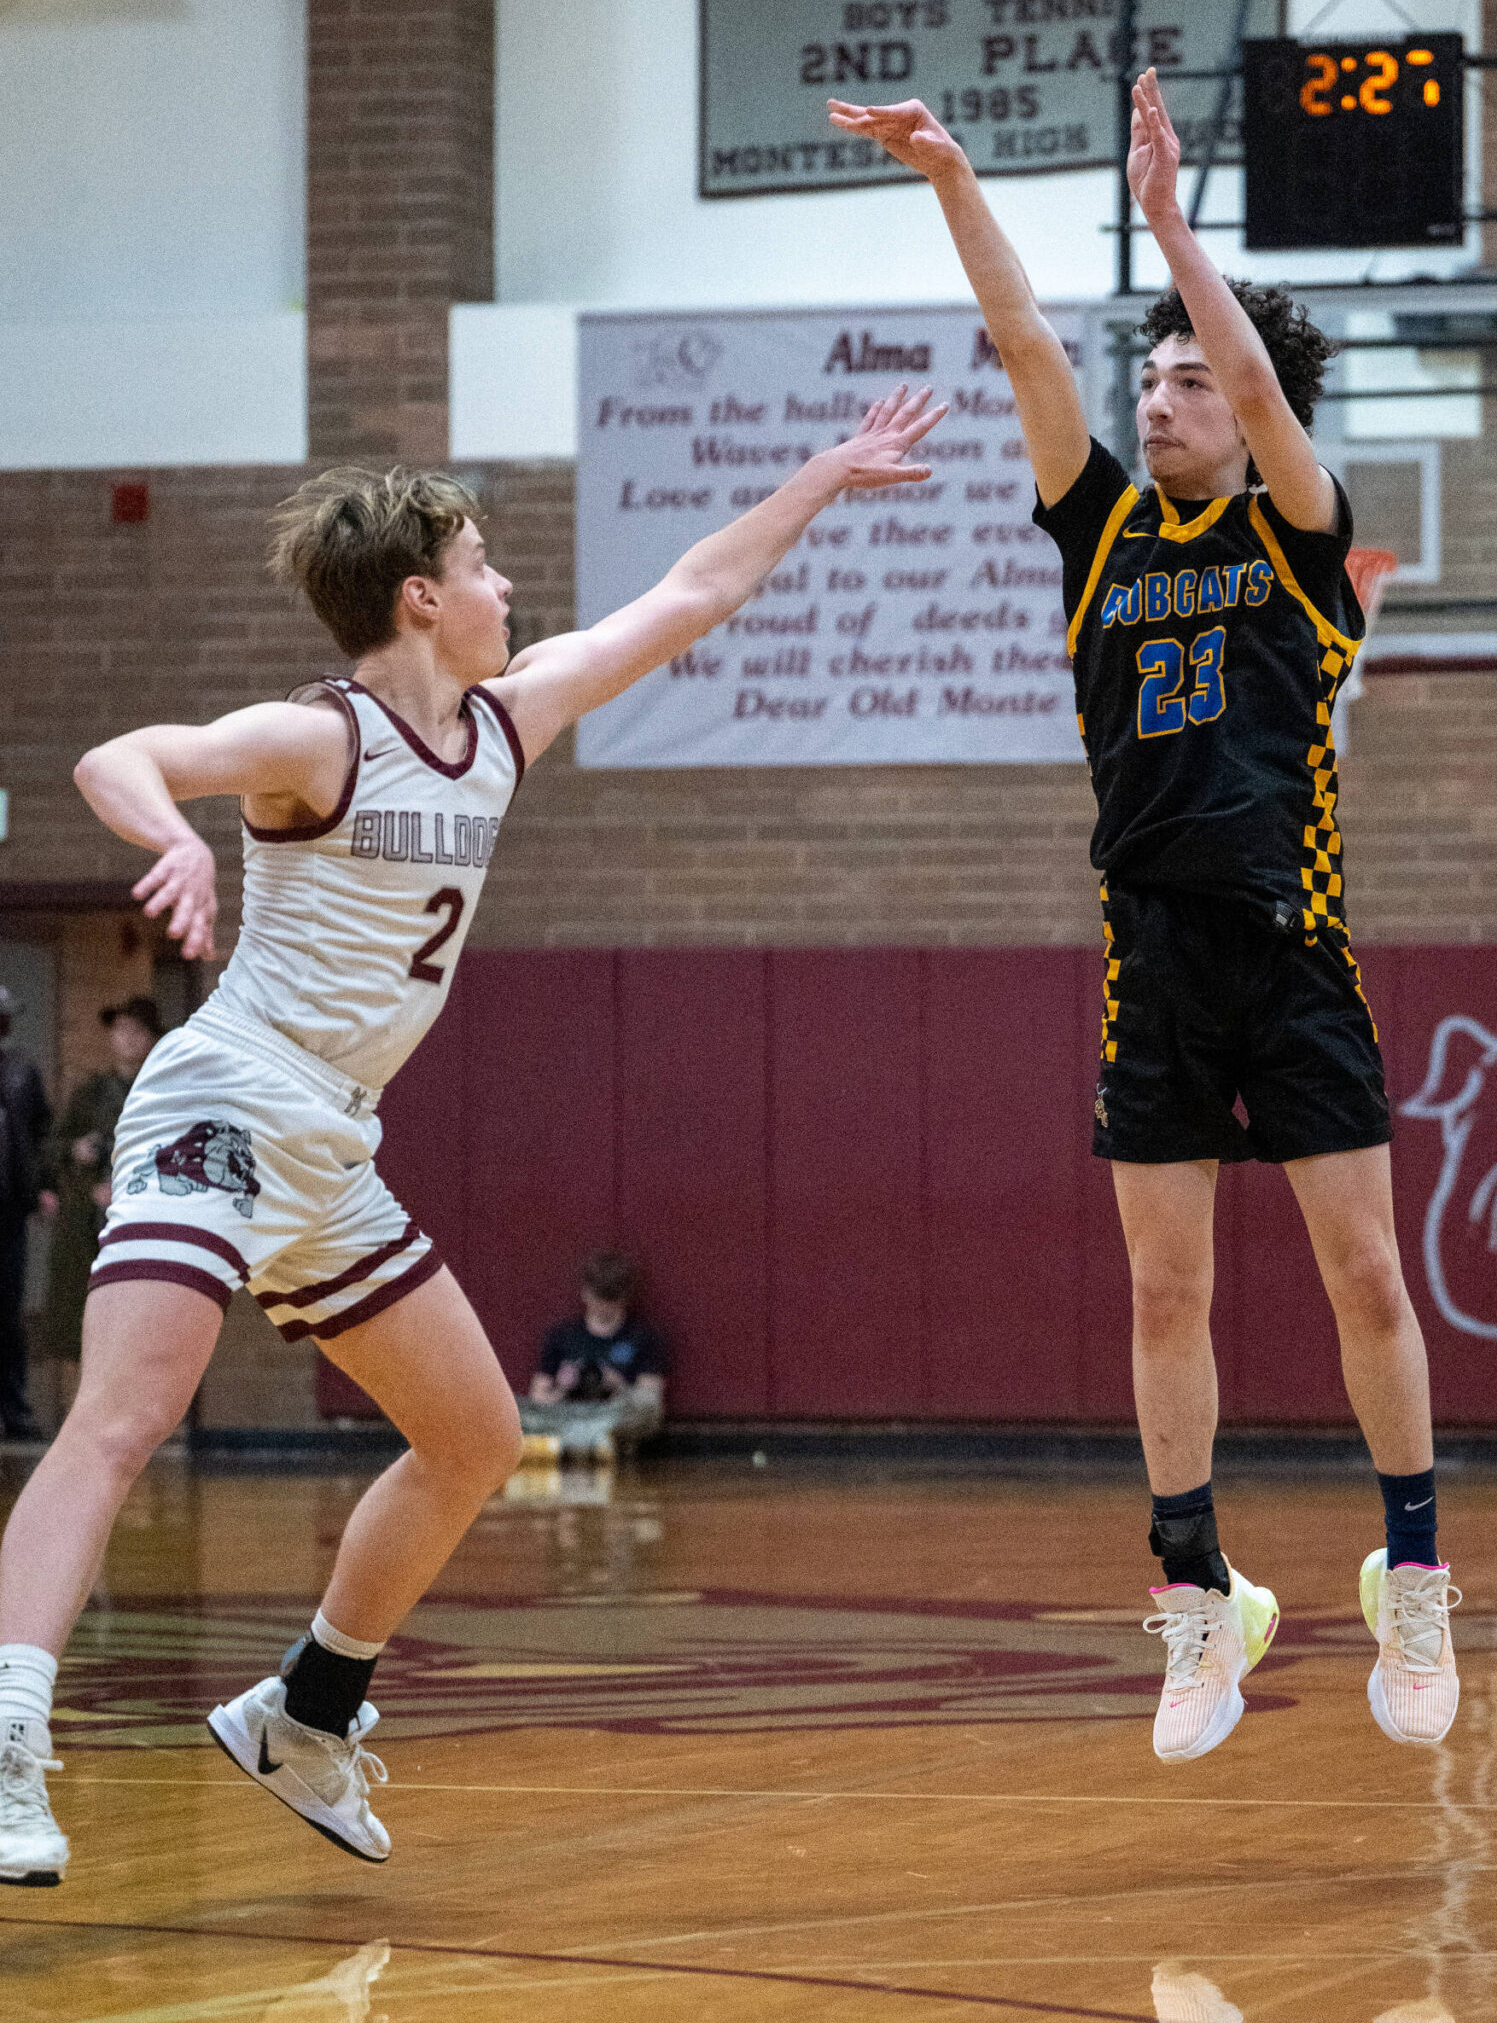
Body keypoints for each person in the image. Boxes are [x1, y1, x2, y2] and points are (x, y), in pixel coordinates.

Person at [0, 382, 945, 1886]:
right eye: (489, 565)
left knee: (476, 1434)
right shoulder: (321, 740)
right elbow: (125, 754)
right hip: (230, 1097)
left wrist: (821, 477)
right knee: (127, 1415)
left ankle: (308, 1711)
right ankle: (10, 1735)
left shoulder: (509, 720)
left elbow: (694, 590)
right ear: (424, 598)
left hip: (331, 1147)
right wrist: (174, 837)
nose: (514, 588)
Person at [828, 73, 1458, 1762]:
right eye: (1158, 376)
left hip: (1296, 953)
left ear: (1249, 413)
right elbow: (1025, 334)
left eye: (1191, 378)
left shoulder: (1302, 540)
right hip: (1155, 961)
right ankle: (1197, 1603)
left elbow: (1249, 367)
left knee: (1366, 1283)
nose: (1164, 397)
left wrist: (1176, 229)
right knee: (1163, 1299)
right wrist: (952, 173)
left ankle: (1410, 1576)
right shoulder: (1102, 530)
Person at [39, 995, 162, 1424]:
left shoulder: (162, 1091)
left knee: (137, 1323)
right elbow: (51, 1149)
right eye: (120, 1029)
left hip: (144, 1224)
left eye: (136, 1030)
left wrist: (128, 1187)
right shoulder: (90, 1092)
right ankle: (80, 1418)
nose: (126, 1038)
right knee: (78, 1320)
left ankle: (133, 1417)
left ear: (151, 1039)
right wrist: (77, 1151)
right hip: (86, 1224)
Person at [526, 1250, 668, 1460]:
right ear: (585, 1293)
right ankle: (591, 1442)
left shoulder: (644, 1336)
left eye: (612, 1299)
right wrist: (564, 1389)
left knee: (648, 1411)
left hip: (614, 1413)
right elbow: (537, 1396)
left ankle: (579, 1442)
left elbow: (650, 1398)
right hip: (568, 1412)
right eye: (599, 1298)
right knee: (518, 1411)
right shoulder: (562, 1334)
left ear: (625, 1297)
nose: (604, 1307)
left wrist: (617, 1385)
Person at [0, 985, 53, 1442]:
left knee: (9, 1312)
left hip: (10, 1211)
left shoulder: (22, 1072)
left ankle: (14, 1409)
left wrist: (44, 1188)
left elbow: (41, 1135)